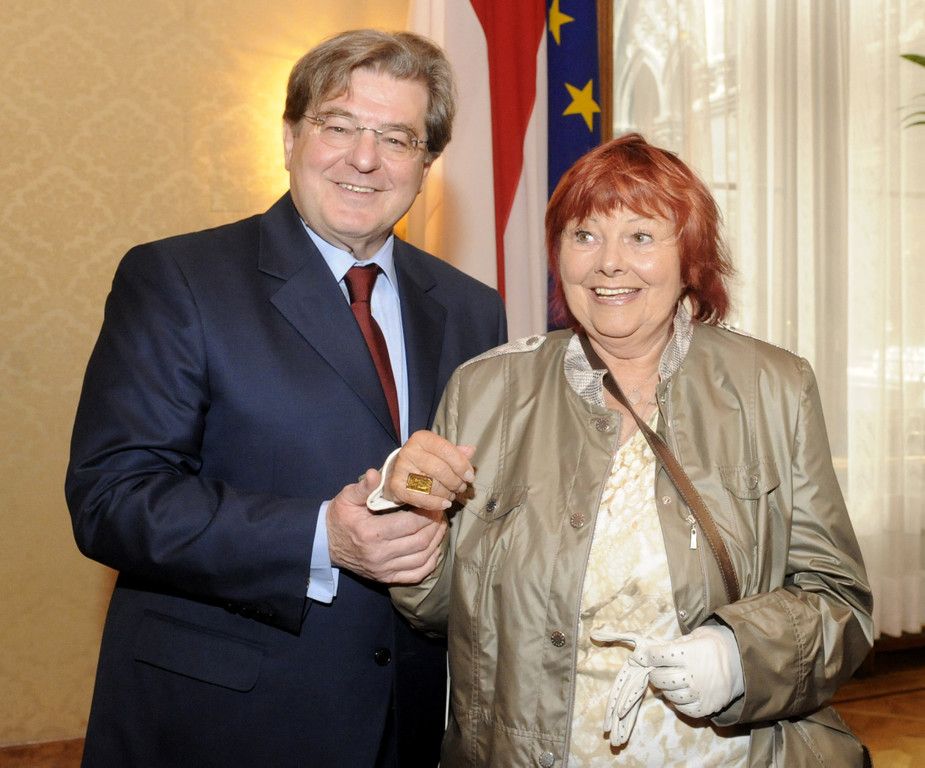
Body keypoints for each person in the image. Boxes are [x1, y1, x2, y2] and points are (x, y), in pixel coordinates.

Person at [65, 29, 506, 768]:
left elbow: (462, 491)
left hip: (408, 719)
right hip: (223, 721)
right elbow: (112, 500)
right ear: (290, 137)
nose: (364, 158)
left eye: (396, 138)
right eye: (339, 125)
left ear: (426, 164)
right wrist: (321, 537)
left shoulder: (471, 309)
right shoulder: (179, 279)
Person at [375, 133, 873, 766]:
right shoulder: (486, 390)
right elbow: (443, 609)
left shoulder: (773, 388)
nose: (609, 263)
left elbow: (838, 600)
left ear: (690, 258)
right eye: (585, 235)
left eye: (641, 236)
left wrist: (739, 655)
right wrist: (409, 507)